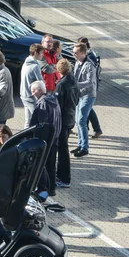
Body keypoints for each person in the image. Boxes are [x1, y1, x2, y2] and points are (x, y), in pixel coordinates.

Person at [27, 80, 62, 209]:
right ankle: (52, 188)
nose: (32, 93)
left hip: (45, 141)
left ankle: (45, 189)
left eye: (33, 91)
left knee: (43, 165)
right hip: (55, 138)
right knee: (51, 164)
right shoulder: (53, 100)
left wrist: (38, 141)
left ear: (39, 90)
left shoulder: (42, 104)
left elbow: (42, 125)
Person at [53, 59, 77, 189]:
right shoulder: (73, 81)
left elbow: (58, 105)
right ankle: (62, 176)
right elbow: (77, 98)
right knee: (63, 148)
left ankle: (63, 178)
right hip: (70, 118)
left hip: (62, 120)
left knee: (62, 150)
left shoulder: (61, 85)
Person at [73, 44, 97, 157]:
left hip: (88, 95)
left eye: (76, 52)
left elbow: (90, 82)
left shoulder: (89, 65)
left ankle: (85, 147)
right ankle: (80, 144)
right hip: (80, 95)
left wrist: (75, 85)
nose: (74, 54)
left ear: (83, 53)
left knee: (82, 120)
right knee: (78, 121)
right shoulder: (77, 63)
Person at [78, 37, 104, 138]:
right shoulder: (91, 54)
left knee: (86, 108)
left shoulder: (89, 56)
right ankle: (92, 128)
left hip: (88, 87)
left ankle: (94, 129)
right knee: (86, 108)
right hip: (88, 86)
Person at [20, 44, 44, 123]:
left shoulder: (26, 62)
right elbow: (41, 82)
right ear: (35, 53)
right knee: (36, 120)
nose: (42, 55)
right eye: (41, 53)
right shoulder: (35, 66)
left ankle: (25, 135)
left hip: (24, 95)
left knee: (28, 121)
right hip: (31, 96)